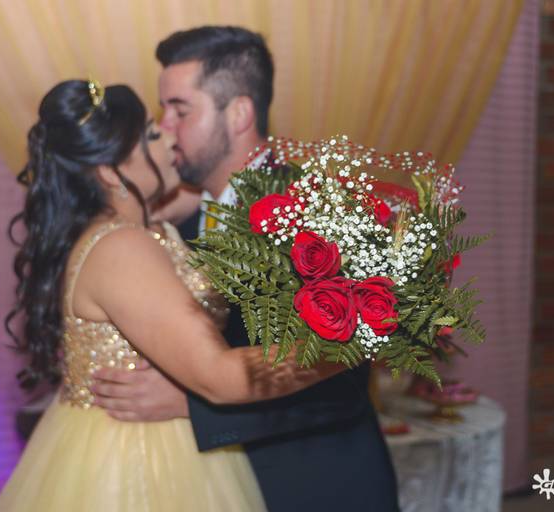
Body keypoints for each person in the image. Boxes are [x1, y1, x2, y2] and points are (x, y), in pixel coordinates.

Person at [0, 79, 346, 511]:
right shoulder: (122, 248)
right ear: (110, 171)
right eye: (151, 133)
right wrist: (347, 343)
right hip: (135, 466)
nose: (170, 136)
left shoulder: (142, 229)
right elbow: (220, 376)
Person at [91, 26, 401, 511]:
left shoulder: (315, 211)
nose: (164, 128)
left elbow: (342, 380)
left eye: (180, 110)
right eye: (162, 110)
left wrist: (193, 406)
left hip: (318, 486)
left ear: (238, 113)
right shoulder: (177, 217)